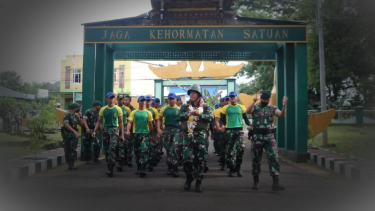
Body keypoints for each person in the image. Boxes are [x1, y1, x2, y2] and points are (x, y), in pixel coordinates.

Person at [245, 90, 287, 191]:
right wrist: (254, 100)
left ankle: (276, 183)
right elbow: (247, 111)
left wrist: (284, 106)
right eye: (264, 99)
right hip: (257, 137)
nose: (265, 101)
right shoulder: (256, 107)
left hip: (269, 137)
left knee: (273, 158)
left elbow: (281, 115)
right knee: (256, 159)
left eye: (267, 99)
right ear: (261, 98)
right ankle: (256, 181)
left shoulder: (272, 108)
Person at [179, 84, 213, 193]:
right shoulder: (185, 106)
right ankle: (189, 177)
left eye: (194, 92)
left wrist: (199, 114)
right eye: (190, 93)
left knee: (199, 159)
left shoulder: (206, 107)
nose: (191, 94)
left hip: (200, 136)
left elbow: (210, 117)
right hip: (188, 135)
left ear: (198, 94)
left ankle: (198, 181)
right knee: (186, 158)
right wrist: (188, 113)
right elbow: (178, 116)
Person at [219, 91, 251, 177]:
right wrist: (222, 125)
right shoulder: (225, 108)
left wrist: (250, 124)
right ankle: (231, 169)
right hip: (229, 130)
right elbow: (222, 120)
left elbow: (246, 119)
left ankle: (238, 167)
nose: (232, 98)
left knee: (241, 149)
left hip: (239, 130)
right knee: (231, 151)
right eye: (231, 97)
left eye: (234, 97)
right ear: (229, 98)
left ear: (237, 98)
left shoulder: (242, 107)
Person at [92, 92, 124, 177]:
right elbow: (99, 121)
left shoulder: (118, 109)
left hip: (114, 129)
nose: (111, 99)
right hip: (106, 130)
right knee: (107, 149)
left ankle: (111, 167)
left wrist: (122, 134)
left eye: (113, 98)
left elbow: (121, 122)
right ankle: (109, 164)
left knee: (112, 147)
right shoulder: (103, 109)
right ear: (107, 99)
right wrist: (95, 131)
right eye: (110, 98)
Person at [126, 96, 154, 177]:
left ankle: (143, 168)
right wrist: (128, 130)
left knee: (144, 151)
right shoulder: (134, 112)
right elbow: (129, 123)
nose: (142, 102)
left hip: (145, 134)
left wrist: (152, 136)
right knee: (137, 152)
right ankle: (138, 167)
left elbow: (151, 125)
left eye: (144, 101)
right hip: (136, 134)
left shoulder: (148, 113)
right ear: (138, 102)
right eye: (141, 101)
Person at [158, 93, 181, 177]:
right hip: (167, 130)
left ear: (176, 100)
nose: (171, 100)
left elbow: (183, 121)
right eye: (170, 99)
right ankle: (170, 167)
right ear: (167, 100)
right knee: (168, 149)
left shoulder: (179, 109)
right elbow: (159, 119)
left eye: (173, 99)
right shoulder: (164, 109)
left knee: (175, 148)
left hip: (176, 130)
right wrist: (159, 129)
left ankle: (175, 168)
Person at [62, 103, 82, 170]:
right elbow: (66, 124)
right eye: (77, 108)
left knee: (73, 149)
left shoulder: (76, 117)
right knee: (67, 149)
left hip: (73, 136)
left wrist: (81, 116)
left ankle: (71, 164)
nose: (78, 109)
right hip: (67, 135)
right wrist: (74, 131)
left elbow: (81, 124)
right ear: (74, 108)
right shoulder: (67, 115)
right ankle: (69, 163)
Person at [145, 95, 160, 170]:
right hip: (144, 130)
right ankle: (145, 163)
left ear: (151, 102)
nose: (147, 102)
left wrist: (158, 130)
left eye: (149, 101)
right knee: (145, 147)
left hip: (152, 130)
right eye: (146, 101)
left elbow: (157, 121)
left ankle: (151, 162)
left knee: (152, 147)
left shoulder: (154, 111)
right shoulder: (142, 110)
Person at [117, 95, 131, 169]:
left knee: (124, 144)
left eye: (122, 100)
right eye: (119, 99)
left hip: (124, 127)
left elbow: (130, 120)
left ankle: (122, 160)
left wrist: (129, 130)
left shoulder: (127, 109)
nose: (121, 101)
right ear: (117, 100)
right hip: (116, 127)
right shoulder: (115, 108)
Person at [215, 98, 227, 171]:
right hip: (222, 131)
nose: (227, 101)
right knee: (223, 149)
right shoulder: (218, 110)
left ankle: (233, 166)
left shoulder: (233, 108)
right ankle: (223, 164)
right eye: (225, 100)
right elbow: (217, 120)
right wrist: (218, 127)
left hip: (232, 131)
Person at [124, 95, 135, 167]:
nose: (124, 101)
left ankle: (129, 159)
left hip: (130, 130)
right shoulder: (121, 108)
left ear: (130, 101)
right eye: (124, 100)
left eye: (126, 100)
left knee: (130, 145)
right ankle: (123, 159)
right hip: (123, 129)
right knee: (123, 144)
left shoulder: (132, 109)